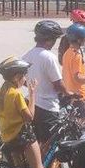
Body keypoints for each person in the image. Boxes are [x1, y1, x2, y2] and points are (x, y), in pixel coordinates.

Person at [22, 20, 75, 153]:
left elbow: (22, 81)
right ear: (50, 39)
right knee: (50, 145)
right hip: (47, 107)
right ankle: (46, 166)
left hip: (31, 104)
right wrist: (68, 93)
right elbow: (58, 83)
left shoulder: (27, 55)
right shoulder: (49, 57)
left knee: (35, 141)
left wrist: (35, 87)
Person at [0, 57, 44, 168]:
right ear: (16, 77)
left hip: (8, 137)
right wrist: (32, 94)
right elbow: (30, 117)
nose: (25, 79)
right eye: (23, 76)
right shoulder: (16, 94)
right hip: (23, 137)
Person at [61, 24, 85, 102]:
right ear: (79, 40)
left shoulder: (67, 53)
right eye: (84, 38)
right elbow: (77, 77)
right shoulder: (77, 56)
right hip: (79, 95)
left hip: (70, 92)